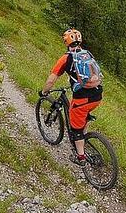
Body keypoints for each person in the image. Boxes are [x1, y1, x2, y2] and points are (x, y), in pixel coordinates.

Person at [39, 28, 103, 165]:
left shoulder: (66, 58)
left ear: (66, 42)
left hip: (82, 99)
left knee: (76, 129)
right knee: (83, 116)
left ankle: (80, 157)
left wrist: (44, 92)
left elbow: (51, 80)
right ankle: (84, 137)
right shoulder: (87, 54)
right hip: (97, 95)